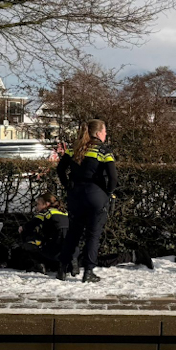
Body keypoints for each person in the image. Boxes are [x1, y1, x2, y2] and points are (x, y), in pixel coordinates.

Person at [56, 119, 117, 283]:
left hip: (75, 195)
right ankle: (88, 272)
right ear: (98, 133)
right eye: (104, 131)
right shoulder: (103, 151)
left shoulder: (75, 149)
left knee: (73, 233)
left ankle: (62, 268)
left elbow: (60, 169)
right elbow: (113, 177)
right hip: (95, 195)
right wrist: (109, 194)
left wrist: (67, 184)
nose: (105, 134)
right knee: (93, 234)